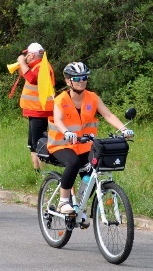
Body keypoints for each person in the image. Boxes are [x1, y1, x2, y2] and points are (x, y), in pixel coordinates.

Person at [47, 62, 134, 214]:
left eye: (84, 77)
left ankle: (79, 205)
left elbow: (108, 115)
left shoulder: (92, 97)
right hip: (61, 144)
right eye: (77, 78)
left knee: (96, 170)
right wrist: (67, 132)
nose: (81, 81)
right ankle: (63, 201)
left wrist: (124, 129)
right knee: (73, 163)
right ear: (68, 81)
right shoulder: (60, 99)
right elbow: (58, 120)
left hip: (85, 145)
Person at [17, 42, 55, 171]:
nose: (25, 57)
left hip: (40, 111)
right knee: (32, 145)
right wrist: (22, 65)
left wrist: (22, 62)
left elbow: (32, 79)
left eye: (27, 54)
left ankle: (44, 174)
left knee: (39, 144)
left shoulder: (43, 67)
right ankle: (37, 172)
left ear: (32, 55)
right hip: (34, 111)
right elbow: (27, 75)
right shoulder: (36, 66)